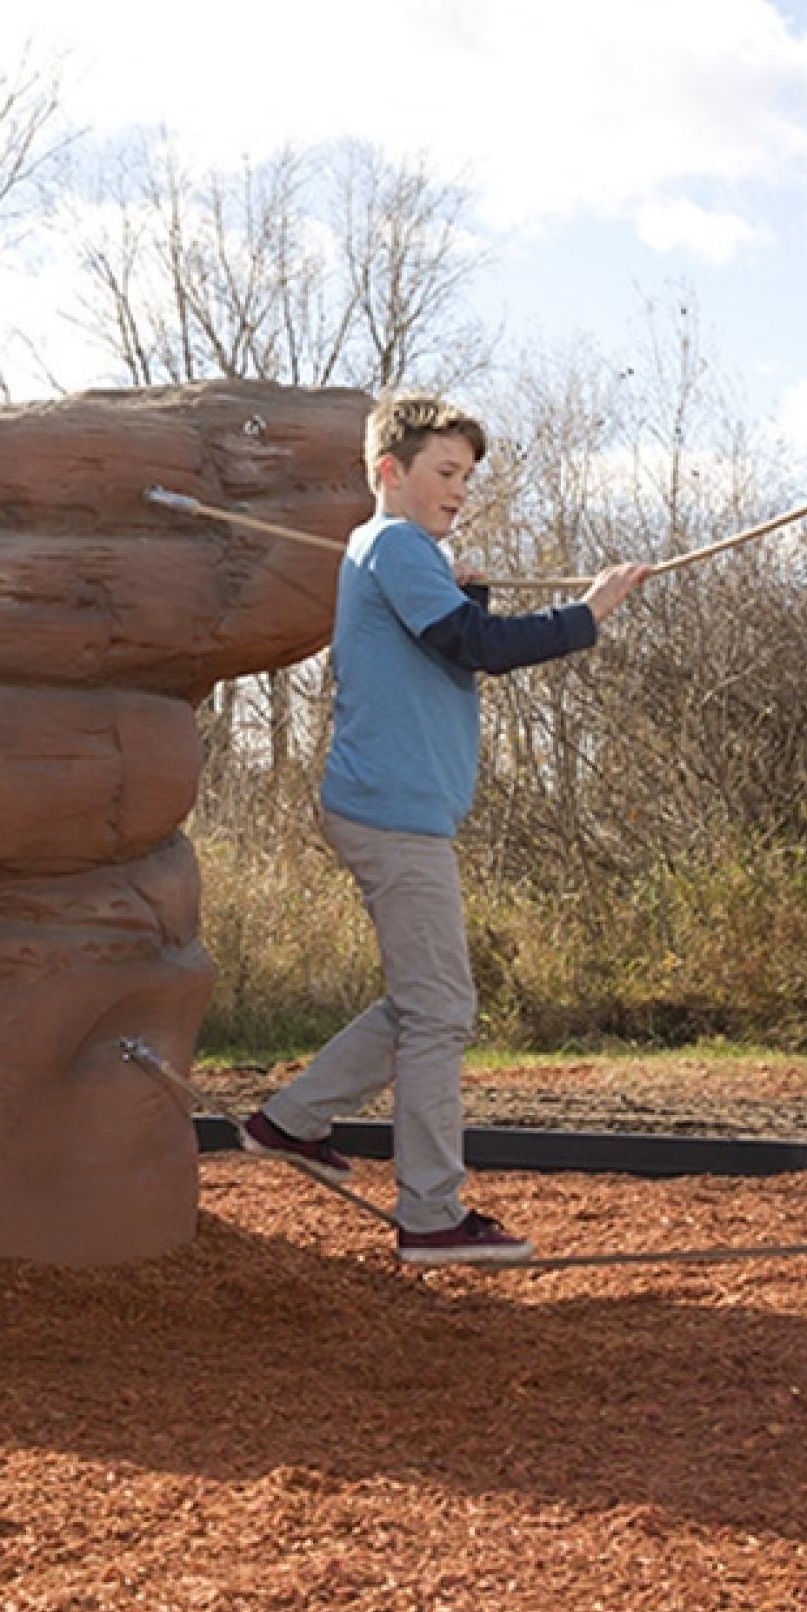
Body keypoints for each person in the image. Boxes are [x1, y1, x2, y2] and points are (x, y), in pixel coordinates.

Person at [241, 392, 651, 1265]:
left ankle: (289, 1121)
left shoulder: (401, 551)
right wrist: (591, 611)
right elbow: (479, 646)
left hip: (395, 808)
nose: (460, 490)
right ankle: (431, 1215)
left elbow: (447, 638)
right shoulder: (393, 542)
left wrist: (472, 593)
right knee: (442, 1010)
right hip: (393, 813)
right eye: (445, 472)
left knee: (423, 1001)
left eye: (467, 476)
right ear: (390, 470)